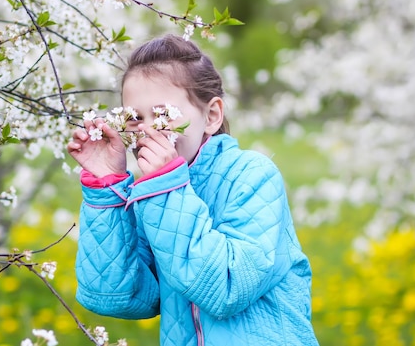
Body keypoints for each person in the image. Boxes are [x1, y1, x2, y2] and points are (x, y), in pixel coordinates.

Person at [67, 34, 319, 346]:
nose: (146, 130)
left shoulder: (252, 176)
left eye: (162, 115)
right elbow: (115, 295)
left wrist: (164, 186)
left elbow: (227, 288)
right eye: (135, 118)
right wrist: (108, 186)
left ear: (211, 116)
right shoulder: (153, 195)